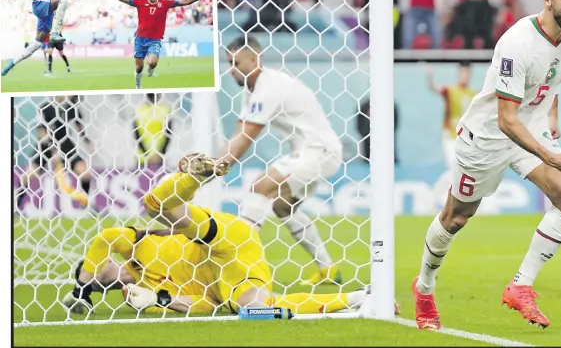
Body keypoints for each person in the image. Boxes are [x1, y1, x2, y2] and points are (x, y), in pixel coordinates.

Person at [412, 0, 561, 330]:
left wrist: (550, 120)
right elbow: (506, 120)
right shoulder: (516, 43)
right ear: (547, 0)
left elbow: (551, 82)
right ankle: (424, 287)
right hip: (490, 135)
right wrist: (550, 155)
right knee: (456, 217)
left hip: (531, 127)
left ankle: (520, 286)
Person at [61, 154, 370, 316]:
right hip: (233, 277)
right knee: (255, 311)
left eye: (98, 270)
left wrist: (81, 290)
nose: (103, 275)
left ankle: (193, 177)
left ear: (102, 264)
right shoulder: (141, 297)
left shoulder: (133, 246)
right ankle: (359, 297)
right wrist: (160, 298)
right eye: (100, 282)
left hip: (222, 239)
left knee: (156, 206)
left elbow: (105, 239)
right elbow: (203, 305)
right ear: (106, 286)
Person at [221, 35, 343, 287]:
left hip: (318, 150)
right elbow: (240, 128)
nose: (231, 69)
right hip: (307, 152)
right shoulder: (254, 89)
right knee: (282, 207)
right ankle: (328, 269)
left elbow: (247, 135)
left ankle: (236, 262)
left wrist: (221, 165)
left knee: (260, 187)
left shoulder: (269, 87)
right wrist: (219, 161)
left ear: (255, 59)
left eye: (236, 62)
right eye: (228, 63)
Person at [110, 0, 207, 89]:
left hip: (154, 40)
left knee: (152, 63)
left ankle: (151, 70)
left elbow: (185, 2)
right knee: (139, 68)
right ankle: (138, 85)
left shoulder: (164, 3)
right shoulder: (140, 2)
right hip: (140, 39)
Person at [14, 95, 92, 208]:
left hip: (66, 144)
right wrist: (54, 150)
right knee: (28, 176)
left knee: (85, 174)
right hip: (45, 146)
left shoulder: (71, 108)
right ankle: (17, 206)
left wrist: (88, 142)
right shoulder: (44, 108)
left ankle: (86, 204)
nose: (69, 95)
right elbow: (42, 131)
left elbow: (80, 127)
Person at [426, 62, 477, 168]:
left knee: (467, 168)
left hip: (467, 137)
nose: (466, 76)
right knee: (453, 166)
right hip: (451, 136)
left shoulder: (473, 93)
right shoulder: (450, 91)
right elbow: (433, 87)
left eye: (468, 74)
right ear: (458, 74)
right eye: (463, 73)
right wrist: (430, 75)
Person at [133, 93, 173, 169]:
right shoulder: (140, 110)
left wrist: (159, 154)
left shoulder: (165, 110)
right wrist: (148, 155)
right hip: (143, 157)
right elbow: (136, 134)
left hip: (160, 157)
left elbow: (169, 133)